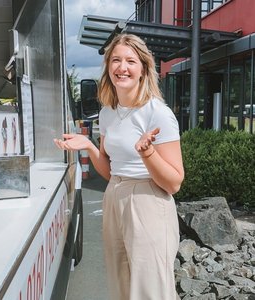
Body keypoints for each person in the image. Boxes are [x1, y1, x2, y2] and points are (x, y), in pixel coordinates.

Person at [54, 33, 184, 300]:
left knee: (150, 291)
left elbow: (174, 182)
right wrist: (89, 145)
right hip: (114, 196)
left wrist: (148, 153)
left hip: (148, 201)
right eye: (115, 60)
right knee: (120, 286)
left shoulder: (157, 112)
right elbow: (111, 172)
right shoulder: (107, 112)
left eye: (130, 61)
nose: (121, 67)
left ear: (143, 69)